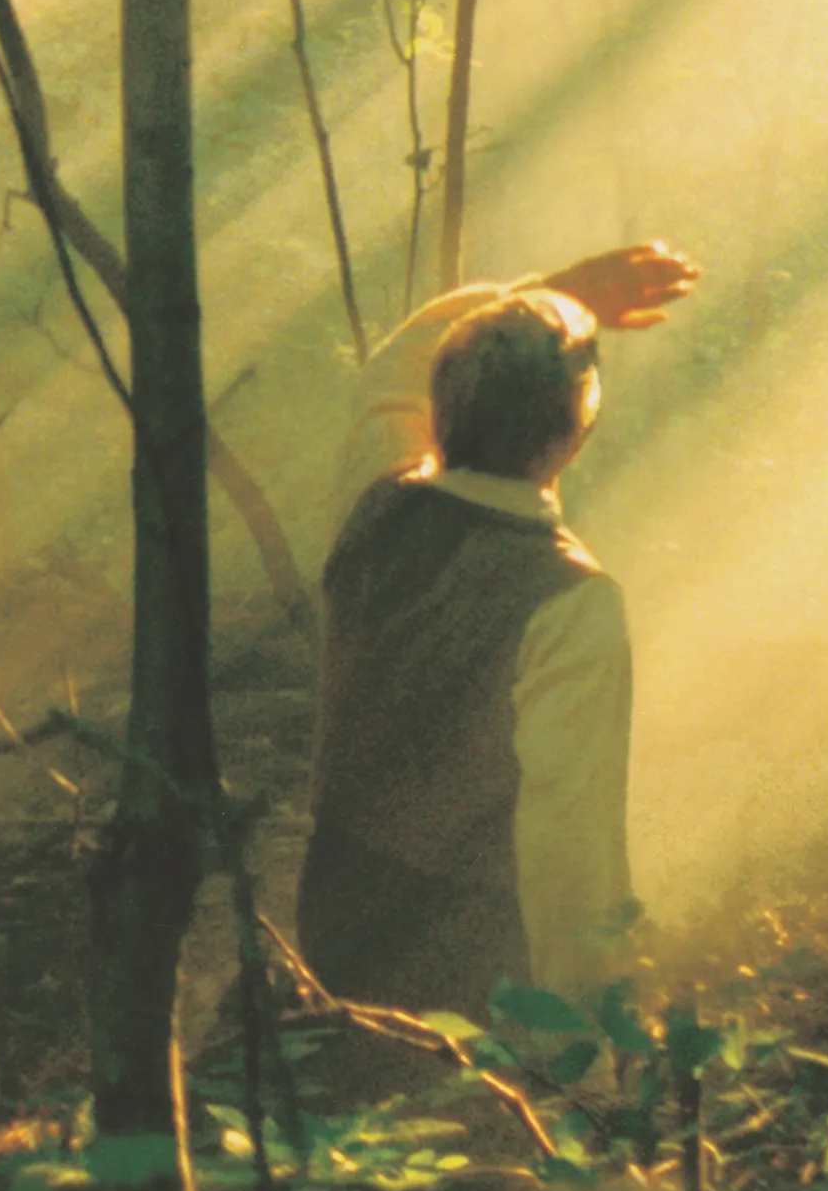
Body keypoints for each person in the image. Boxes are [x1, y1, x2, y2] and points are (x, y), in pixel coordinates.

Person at [293, 244, 698, 1020]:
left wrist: (548, 290)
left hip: (336, 918)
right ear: (574, 431)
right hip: (471, 966)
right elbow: (569, 842)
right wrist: (590, 1019)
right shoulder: (573, 600)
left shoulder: (374, 505)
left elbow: (392, 374)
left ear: (443, 401)